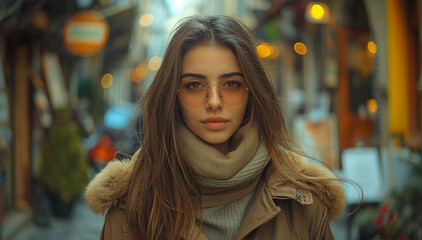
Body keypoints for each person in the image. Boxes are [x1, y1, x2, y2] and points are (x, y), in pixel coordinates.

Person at [85, 15, 346, 239]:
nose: (213, 102)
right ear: (173, 95)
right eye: (194, 85)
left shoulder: (302, 198)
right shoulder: (132, 204)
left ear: (252, 91)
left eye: (231, 84)